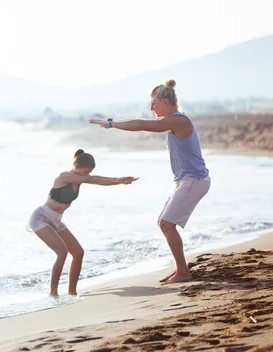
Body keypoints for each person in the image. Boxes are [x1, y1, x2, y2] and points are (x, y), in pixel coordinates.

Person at [88, 79, 210, 284]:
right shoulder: (174, 121)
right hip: (187, 180)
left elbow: (142, 124)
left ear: (165, 101)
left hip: (195, 180)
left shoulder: (178, 120)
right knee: (164, 223)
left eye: (154, 102)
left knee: (166, 224)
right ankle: (181, 270)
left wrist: (111, 123)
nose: (151, 107)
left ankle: (183, 272)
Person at [28, 149, 138, 297]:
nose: (87, 175)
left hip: (56, 220)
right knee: (62, 253)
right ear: (76, 165)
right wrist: (117, 179)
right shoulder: (64, 176)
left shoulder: (81, 178)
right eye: (85, 172)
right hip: (41, 218)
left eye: (88, 172)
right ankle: (53, 294)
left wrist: (119, 181)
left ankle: (72, 292)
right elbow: (93, 180)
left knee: (78, 253)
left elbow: (95, 180)